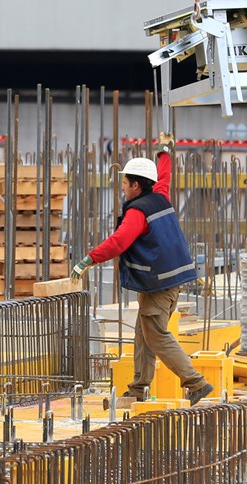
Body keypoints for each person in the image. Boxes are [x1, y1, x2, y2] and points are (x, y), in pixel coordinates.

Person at [71, 133, 214, 406]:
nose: (123, 189)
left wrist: (87, 260)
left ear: (136, 185)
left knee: (157, 335)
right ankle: (139, 387)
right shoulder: (159, 196)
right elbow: (164, 176)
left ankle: (196, 383)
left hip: (158, 283)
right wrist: (164, 151)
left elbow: (119, 242)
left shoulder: (137, 212)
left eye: (125, 184)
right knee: (143, 333)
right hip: (166, 280)